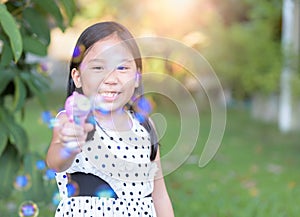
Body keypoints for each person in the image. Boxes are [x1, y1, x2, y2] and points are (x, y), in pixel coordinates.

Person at [46, 21, 174, 217]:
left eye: (122, 68)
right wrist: (69, 146)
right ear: (77, 77)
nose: (111, 78)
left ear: (137, 77)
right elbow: (55, 161)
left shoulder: (144, 126)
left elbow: (159, 195)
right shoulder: (72, 121)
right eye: (98, 68)